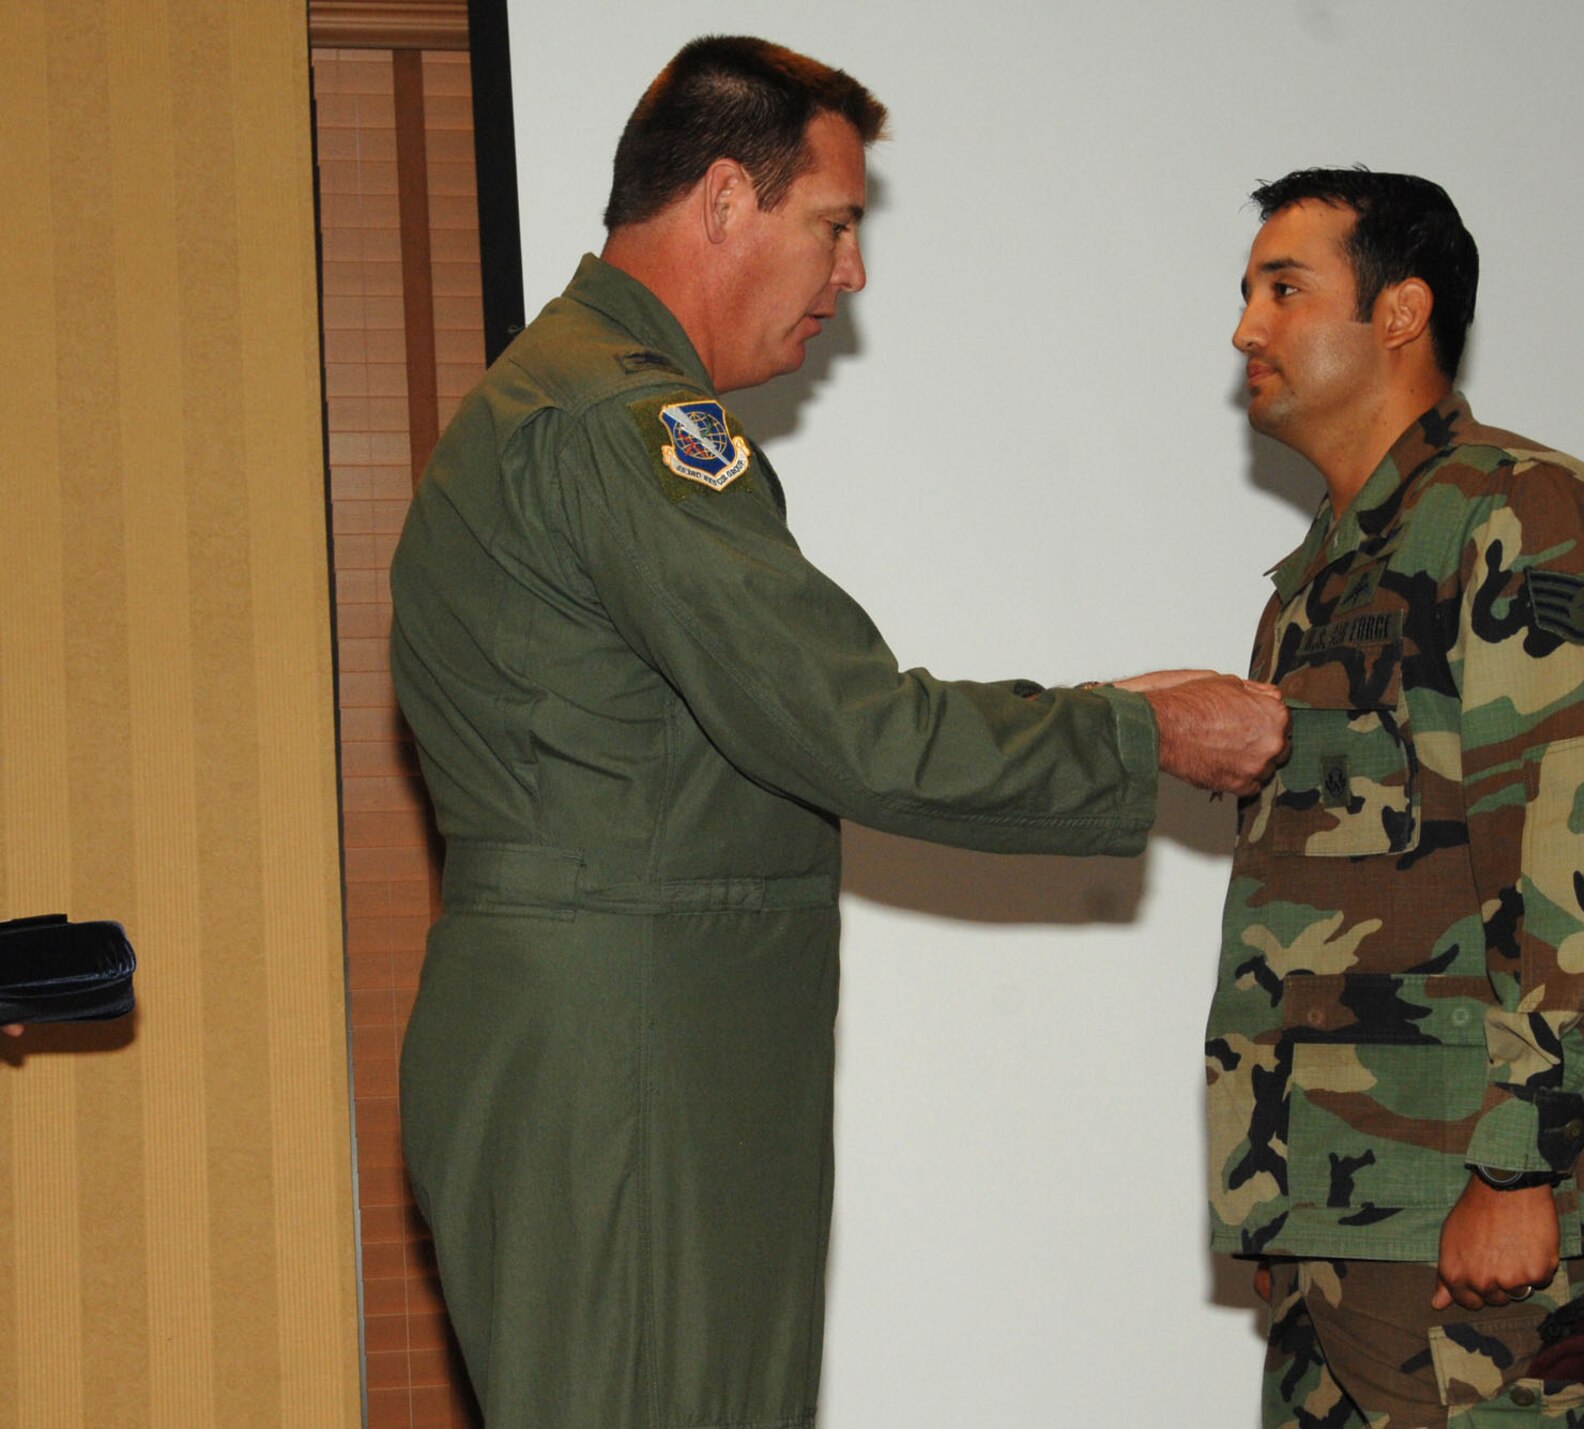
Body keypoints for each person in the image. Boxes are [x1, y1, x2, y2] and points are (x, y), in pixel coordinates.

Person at [388, 34, 1287, 1429]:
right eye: (837, 225)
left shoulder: (558, 395)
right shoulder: (627, 425)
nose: (851, 274)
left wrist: (1110, 716)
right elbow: (845, 726)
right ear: (728, 201)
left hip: (617, 1033)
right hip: (633, 1050)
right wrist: (1137, 736)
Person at [1204, 168, 1584, 1428]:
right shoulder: (1317, 579)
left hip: (1478, 1215)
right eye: (1247, 292)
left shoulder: (1527, 515)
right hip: (1344, 1224)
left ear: (1400, 311)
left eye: (1282, 288)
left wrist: (1521, 1162)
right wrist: (1277, 1185)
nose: (1245, 327)